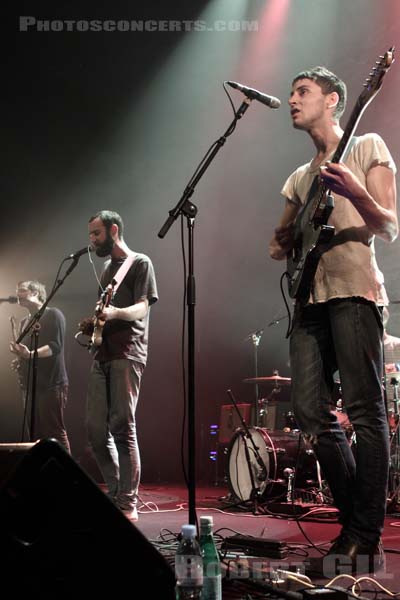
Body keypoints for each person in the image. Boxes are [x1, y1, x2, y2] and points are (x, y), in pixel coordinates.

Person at [269, 66, 398, 574]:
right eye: (293, 91)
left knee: (365, 412)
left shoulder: (367, 146)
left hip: (355, 294)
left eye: (302, 92)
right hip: (308, 301)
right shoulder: (299, 178)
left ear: (335, 99)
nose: (292, 99)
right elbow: (280, 242)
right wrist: (282, 241)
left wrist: (353, 192)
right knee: (309, 412)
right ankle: (356, 528)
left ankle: (364, 535)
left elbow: (388, 225)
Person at [85, 210, 158, 522]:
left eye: (96, 234)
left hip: (128, 353)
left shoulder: (140, 263)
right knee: (94, 429)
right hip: (103, 353)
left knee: (121, 426)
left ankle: (128, 501)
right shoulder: (105, 269)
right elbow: (103, 310)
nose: (92, 240)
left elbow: (142, 307)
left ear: (114, 230)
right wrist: (93, 324)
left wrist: (114, 314)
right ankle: (115, 491)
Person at [9, 280, 70, 452]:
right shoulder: (24, 322)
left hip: (52, 384)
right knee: (34, 434)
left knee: (55, 432)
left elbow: (55, 346)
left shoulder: (53, 314)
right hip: (30, 387)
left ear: (36, 293)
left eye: (22, 290)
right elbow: (27, 353)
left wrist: (30, 354)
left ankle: (67, 474)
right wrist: (21, 359)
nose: (18, 294)